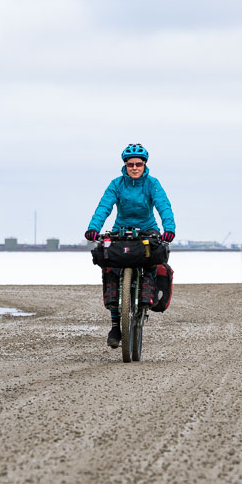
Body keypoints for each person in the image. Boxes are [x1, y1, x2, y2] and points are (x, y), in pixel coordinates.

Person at [84, 144, 176, 348]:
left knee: (152, 259)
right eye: (130, 164)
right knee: (110, 268)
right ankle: (116, 325)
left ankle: (146, 297)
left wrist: (168, 227)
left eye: (138, 164)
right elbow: (104, 206)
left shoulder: (152, 184)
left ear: (145, 165)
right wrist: (93, 228)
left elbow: (163, 205)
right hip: (121, 230)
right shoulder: (116, 184)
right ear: (125, 166)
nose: (134, 167)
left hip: (147, 229)